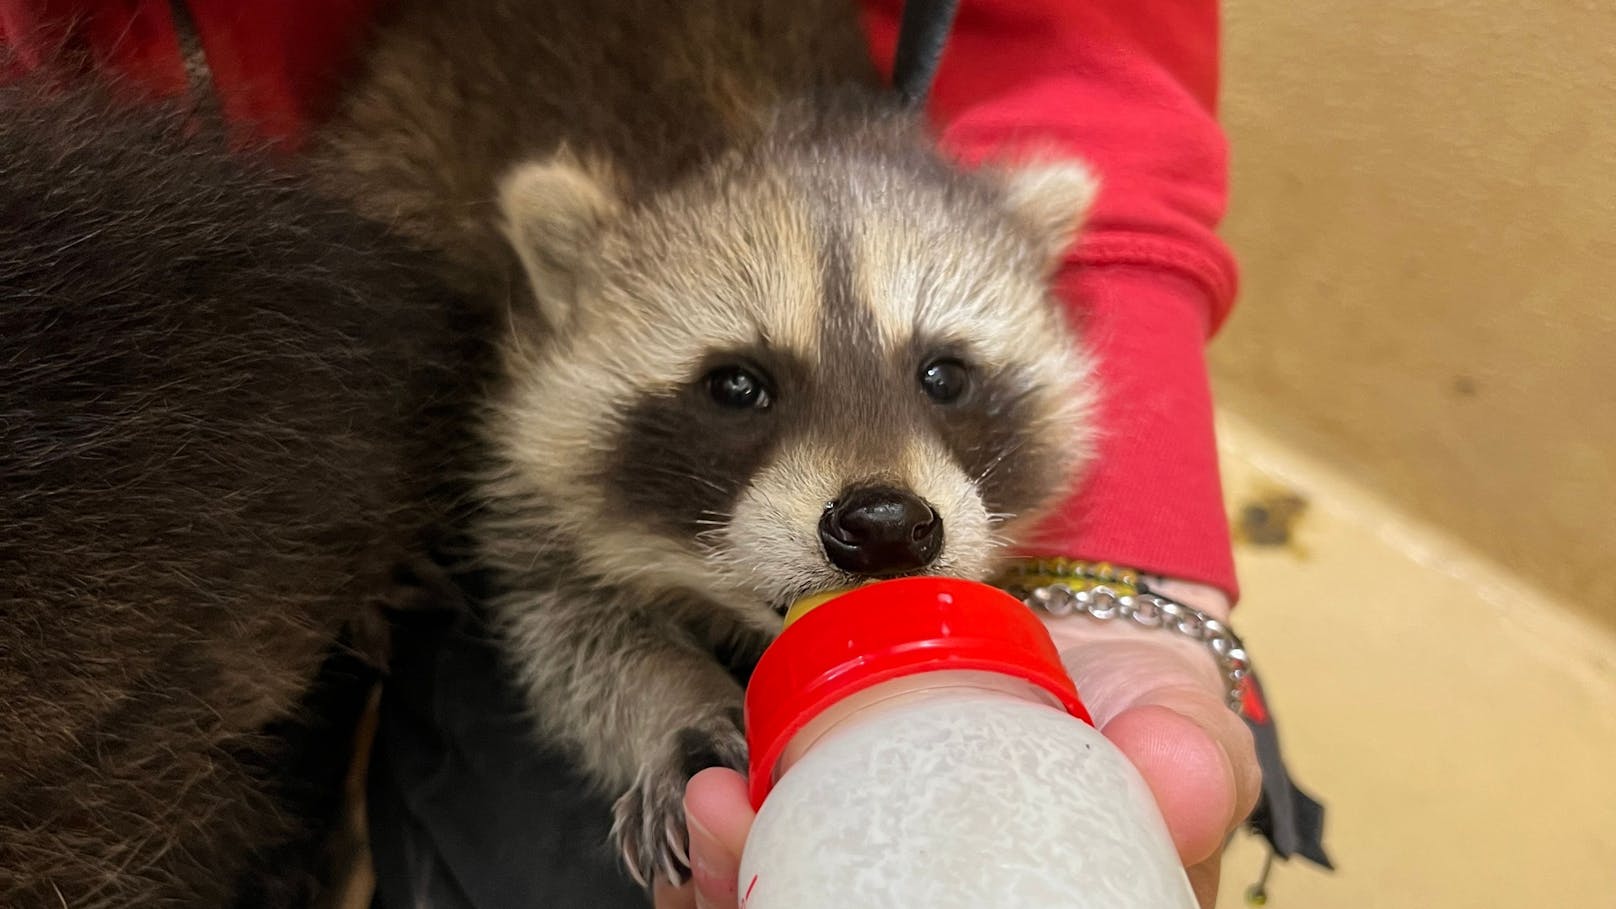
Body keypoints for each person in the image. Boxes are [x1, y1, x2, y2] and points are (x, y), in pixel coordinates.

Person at [1, 1, 1259, 907]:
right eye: (737, 389)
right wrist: (675, 726)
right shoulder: (551, 334)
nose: (881, 493)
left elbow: (1087, 53)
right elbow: (566, 604)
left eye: (945, 384)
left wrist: (1127, 581)